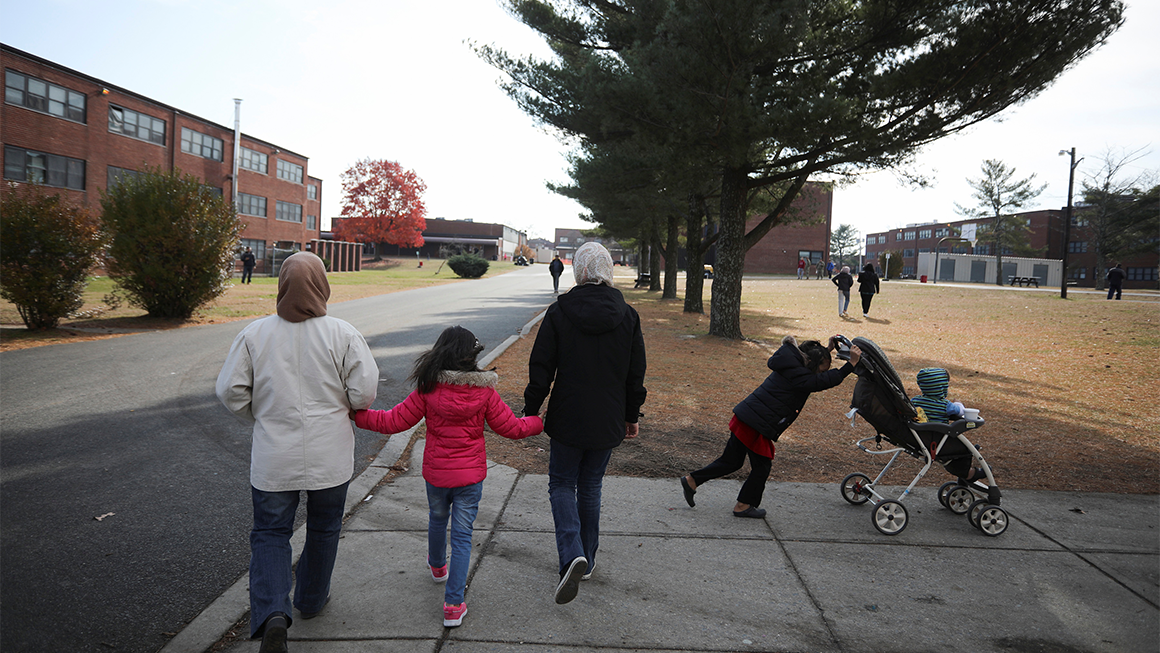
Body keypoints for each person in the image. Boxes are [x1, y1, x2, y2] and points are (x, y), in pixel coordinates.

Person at [216, 252, 379, 653]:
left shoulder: (255, 335)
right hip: (330, 455)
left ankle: (272, 611)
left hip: (275, 455)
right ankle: (310, 599)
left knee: (271, 533)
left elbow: (229, 390)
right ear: (322, 285)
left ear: (282, 285)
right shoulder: (343, 334)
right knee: (324, 528)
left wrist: (261, 412)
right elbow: (365, 391)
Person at [352, 326, 542, 628]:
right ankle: (453, 605)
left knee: (438, 519)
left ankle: (438, 566)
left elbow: (393, 421)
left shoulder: (428, 389)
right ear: (471, 357)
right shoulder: (484, 392)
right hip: (470, 477)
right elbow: (512, 428)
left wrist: (356, 415)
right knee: (463, 537)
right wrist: (539, 423)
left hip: (437, 475)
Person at [523, 241, 647, 605]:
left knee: (562, 483)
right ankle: (586, 560)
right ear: (607, 269)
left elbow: (541, 366)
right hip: (607, 417)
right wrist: (630, 414)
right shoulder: (628, 315)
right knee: (590, 486)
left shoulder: (560, 312)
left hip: (568, 414)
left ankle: (570, 555)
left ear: (578, 269)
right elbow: (635, 372)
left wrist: (532, 409)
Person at [680, 336, 861, 518]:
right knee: (762, 467)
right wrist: (851, 364)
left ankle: (692, 481)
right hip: (756, 424)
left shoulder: (791, 363)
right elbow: (824, 380)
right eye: (823, 367)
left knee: (731, 461)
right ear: (814, 364)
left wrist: (826, 350)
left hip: (747, 416)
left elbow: (814, 368)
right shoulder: (801, 377)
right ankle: (743, 505)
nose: (824, 371)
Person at [910, 368, 984, 483]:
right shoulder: (946, 405)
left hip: (921, 439)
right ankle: (968, 474)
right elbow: (960, 411)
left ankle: (964, 467)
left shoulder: (914, 401)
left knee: (960, 447)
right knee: (964, 448)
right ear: (942, 387)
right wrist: (958, 402)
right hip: (939, 441)